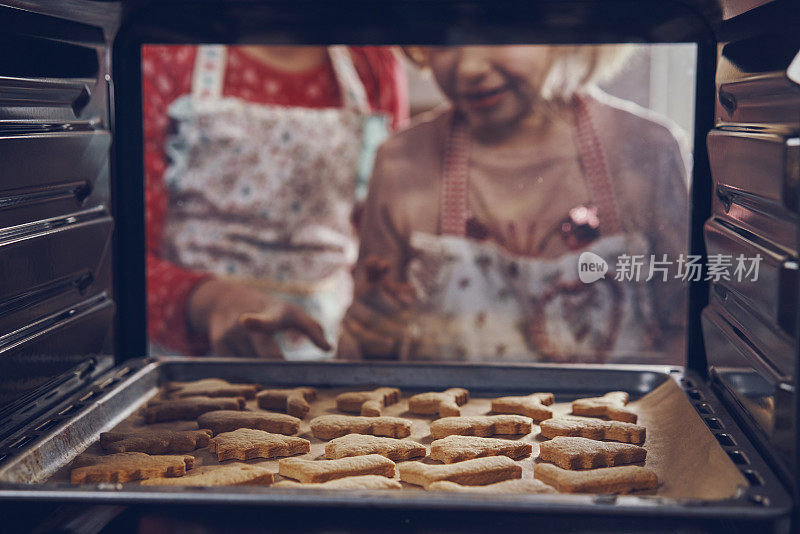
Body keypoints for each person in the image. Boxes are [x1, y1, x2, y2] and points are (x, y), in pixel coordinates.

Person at [338, 45, 690, 364]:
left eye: (499, 31)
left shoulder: (646, 150)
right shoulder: (401, 162)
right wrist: (374, 336)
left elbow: (684, 329)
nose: (468, 67)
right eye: (444, 39)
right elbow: (367, 343)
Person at [143, 45, 408, 358]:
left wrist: (379, 310)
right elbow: (127, 263)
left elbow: (380, 244)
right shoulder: (166, 54)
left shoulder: (372, 61)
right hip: (196, 352)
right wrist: (216, 301)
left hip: (330, 346)